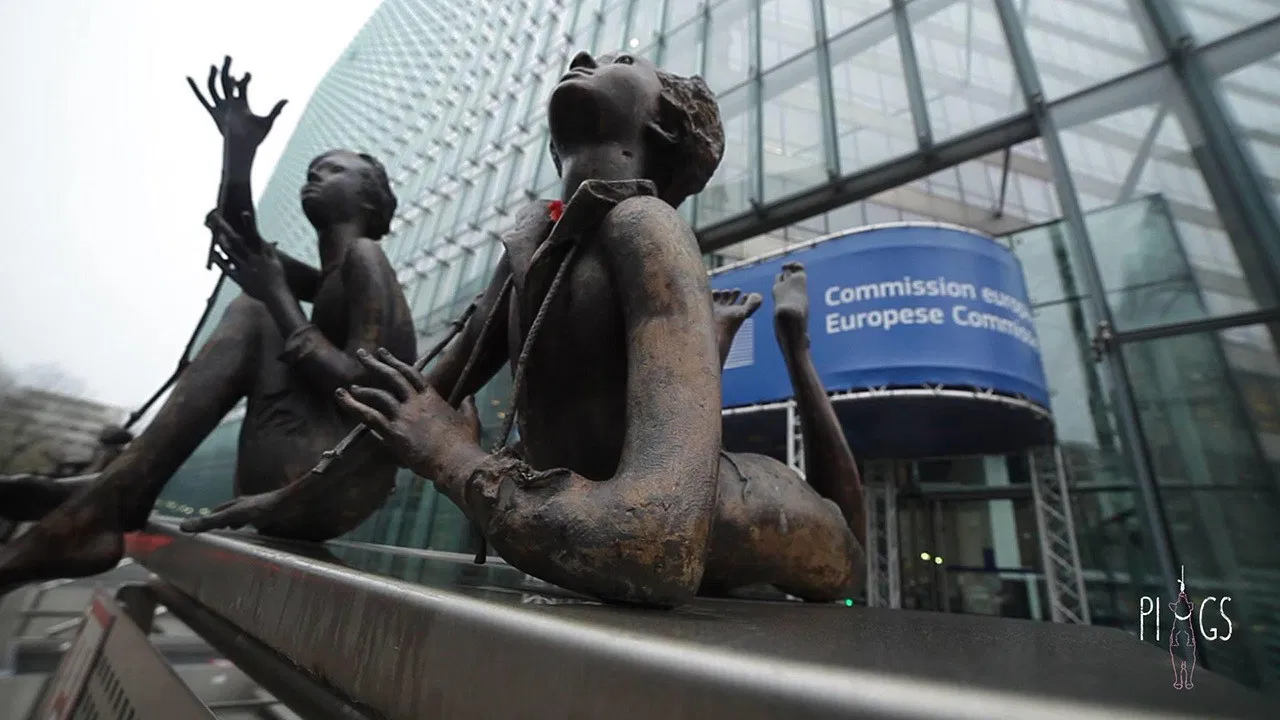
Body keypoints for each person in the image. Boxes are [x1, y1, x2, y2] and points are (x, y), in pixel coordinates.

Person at [187, 52, 866, 607]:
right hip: (618, 513)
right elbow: (404, 413)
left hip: (745, 508)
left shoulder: (646, 226)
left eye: (623, 61)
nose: (585, 57)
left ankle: (794, 344)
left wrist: (451, 457)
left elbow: (658, 545)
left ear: (661, 125)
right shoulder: (533, 248)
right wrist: (279, 502)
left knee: (849, 552)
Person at [0, 58, 415, 594]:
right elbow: (240, 239)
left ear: (369, 198)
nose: (315, 175)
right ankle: (117, 490)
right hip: (293, 471)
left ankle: (110, 499)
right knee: (258, 303)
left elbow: (370, 388)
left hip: (324, 481)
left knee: (257, 307)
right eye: (314, 169)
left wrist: (278, 295)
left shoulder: (365, 258)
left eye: (334, 170)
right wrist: (238, 153)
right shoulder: (332, 274)